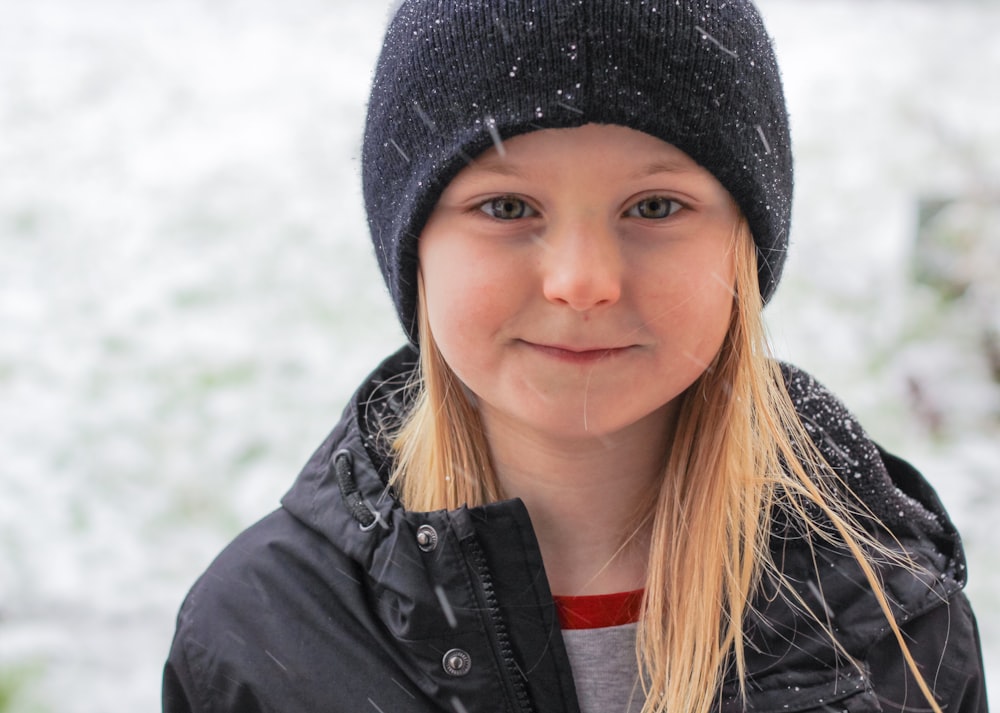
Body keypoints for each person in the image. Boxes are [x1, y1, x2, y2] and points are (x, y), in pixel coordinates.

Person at [162, 1, 989, 712]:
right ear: (415, 248)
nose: (583, 281)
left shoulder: (891, 620)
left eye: (655, 205)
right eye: (508, 205)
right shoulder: (261, 635)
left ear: (744, 242)